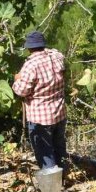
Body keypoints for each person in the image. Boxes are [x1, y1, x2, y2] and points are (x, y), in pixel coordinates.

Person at [12, 31, 68, 173]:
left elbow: (21, 91)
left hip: (40, 117)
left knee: (45, 152)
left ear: (29, 48)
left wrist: (17, 80)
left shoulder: (31, 66)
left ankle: (52, 186)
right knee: (59, 147)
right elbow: (55, 52)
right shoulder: (57, 57)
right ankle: (64, 177)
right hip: (59, 112)